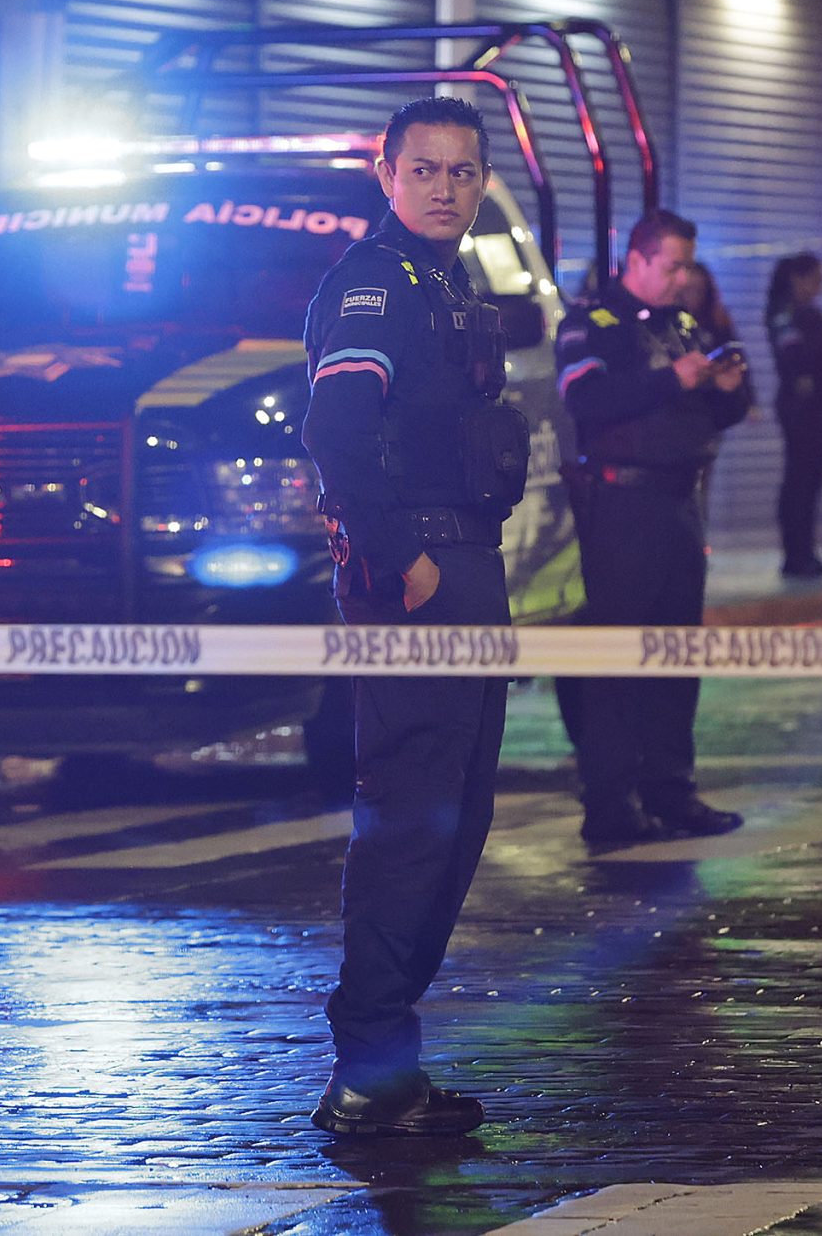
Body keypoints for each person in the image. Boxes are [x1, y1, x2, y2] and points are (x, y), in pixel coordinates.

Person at [299, 95, 531, 1138]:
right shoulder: (371, 286)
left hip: (464, 567)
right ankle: (365, 1070)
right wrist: (405, 560)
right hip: (421, 574)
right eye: (424, 170)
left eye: (462, 172)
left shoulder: (441, 279)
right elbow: (337, 433)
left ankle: (389, 1066)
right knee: (409, 824)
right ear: (384, 173)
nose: (444, 189)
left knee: (455, 824)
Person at [552, 209, 752, 849]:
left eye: (687, 265)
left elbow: (718, 414)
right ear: (635, 260)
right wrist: (674, 378)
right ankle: (610, 805)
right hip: (621, 506)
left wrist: (726, 387)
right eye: (671, 265)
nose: (681, 277)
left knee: (676, 655)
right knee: (618, 660)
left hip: (678, 504)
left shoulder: (684, 325)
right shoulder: (592, 324)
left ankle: (672, 791)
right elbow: (587, 401)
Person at [765, 252, 822, 578]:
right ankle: (795, 555)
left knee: (812, 480)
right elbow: (794, 357)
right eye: (816, 278)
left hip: (818, 405)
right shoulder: (784, 313)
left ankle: (807, 552)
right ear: (798, 279)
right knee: (799, 481)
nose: (820, 285)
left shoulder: (811, 314)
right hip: (798, 408)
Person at [679, 259, 735, 343]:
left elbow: (731, 351)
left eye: (699, 291)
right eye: (688, 290)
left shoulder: (717, 321)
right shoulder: (669, 322)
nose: (693, 296)